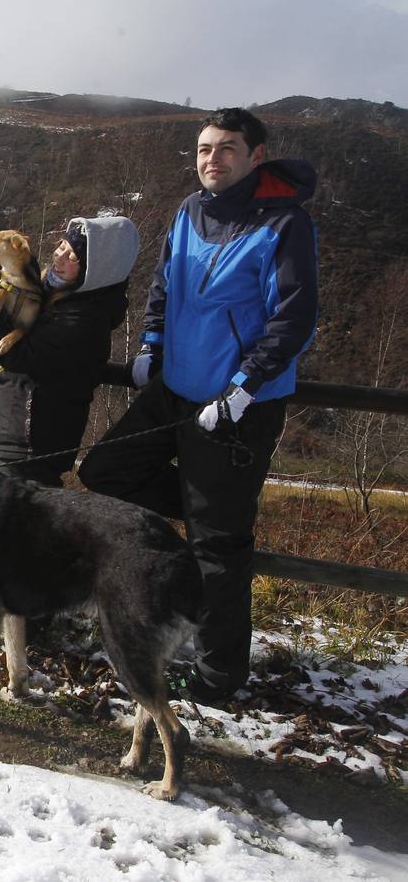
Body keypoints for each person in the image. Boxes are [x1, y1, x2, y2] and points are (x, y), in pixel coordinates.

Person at [78, 108, 319, 706]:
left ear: (255, 156)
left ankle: (217, 678)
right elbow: (166, 283)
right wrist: (151, 344)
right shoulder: (190, 210)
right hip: (175, 390)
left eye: (228, 148)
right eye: (206, 148)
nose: (214, 158)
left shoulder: (284, 223)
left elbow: (294, 316)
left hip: (237, 406)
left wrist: (245, 385)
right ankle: (208, 514)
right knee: (105, 471)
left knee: (219, 549)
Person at [0, 215, 141, 488]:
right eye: (61, 246)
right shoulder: (48, 293)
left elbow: (17, 357)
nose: (59, 257)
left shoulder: (84, 319)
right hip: (9, 440)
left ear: (97, 270)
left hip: (30, 450)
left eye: (72, 256)